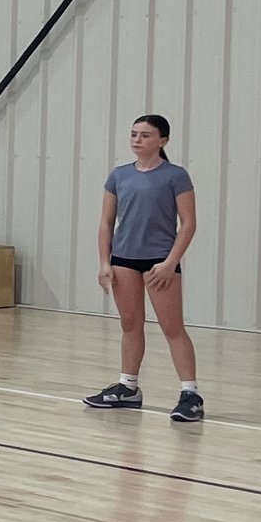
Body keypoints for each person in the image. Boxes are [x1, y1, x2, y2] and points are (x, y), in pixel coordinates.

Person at [82, 113, 203, 422]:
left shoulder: (176, 176)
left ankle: (190, 394)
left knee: (172, 328)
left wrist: (170, 263)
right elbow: (106, 223)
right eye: (134, 134)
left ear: (163, 141)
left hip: (159, 261)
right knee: (130, 324)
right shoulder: (119, 175)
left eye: (145, 135)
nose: (137, 139)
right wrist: (105, 262)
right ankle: (128, 387)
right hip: (124, 259)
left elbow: (189, 223)